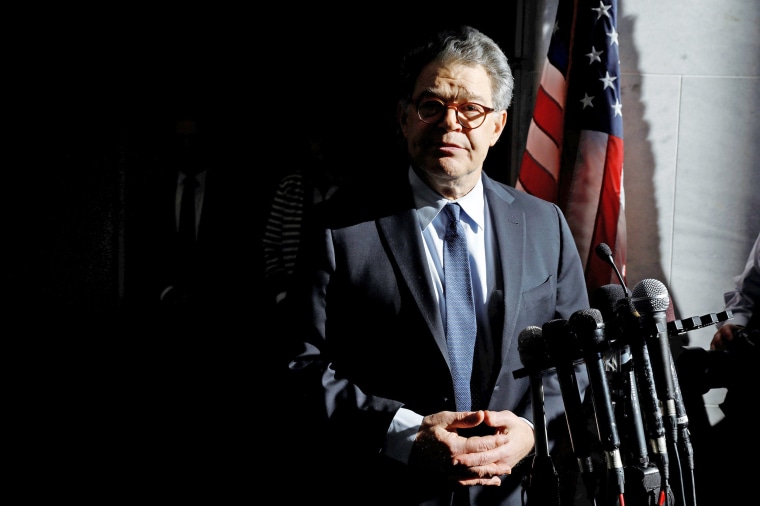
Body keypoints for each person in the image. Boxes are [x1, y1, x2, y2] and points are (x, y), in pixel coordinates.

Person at [283, 26, 591, 506]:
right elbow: (298, 366)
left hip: (514, 493)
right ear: (405, 118)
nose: (451, 124)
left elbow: (573, 358)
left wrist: (530, 430)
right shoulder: (340, 228)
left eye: (471, 109)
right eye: (431, 106)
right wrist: (403, 434)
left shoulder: (543, 223)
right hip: (387, 488)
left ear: (497, 125)